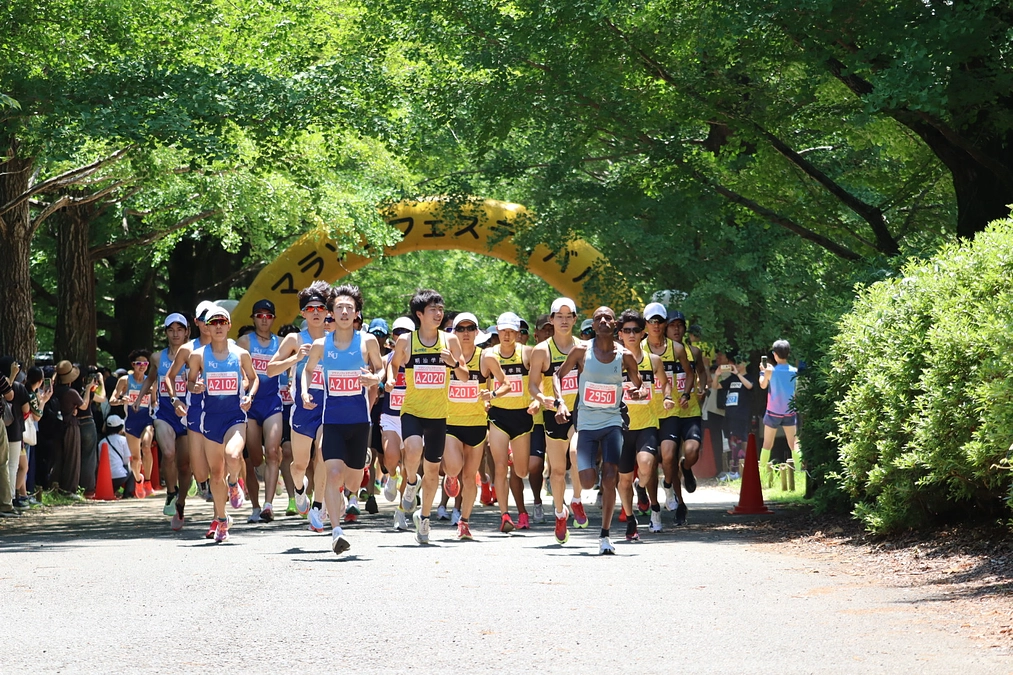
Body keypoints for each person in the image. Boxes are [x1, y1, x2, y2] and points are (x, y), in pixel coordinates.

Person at [554, 306, 648, 555]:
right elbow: (557, 376)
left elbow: (639, 384)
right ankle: (590, 473)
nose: (603, 321)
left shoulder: (625, 356)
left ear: (614, 323)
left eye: (608, 317)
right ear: (593, 326)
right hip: (585, 424)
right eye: (598, 319)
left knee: (610, 477)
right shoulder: (581, 351)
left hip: (612, 422)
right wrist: (560, 402)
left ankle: (605, 535)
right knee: (586, 482)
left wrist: (639, 391)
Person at [300, 285, 384, 555]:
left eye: (349, 308)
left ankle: (363, 463)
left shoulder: (367, 341)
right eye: (339, 308)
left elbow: (381, 369)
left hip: (359, 422)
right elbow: (308, 371)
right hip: (332, 420)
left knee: (351, 483)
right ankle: (336, 532)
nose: (345, 312)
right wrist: (303, 391)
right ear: (331, 313)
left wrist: (375, 379)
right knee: (333, 473)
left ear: (356, 312)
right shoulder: (321, 345)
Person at [388, 289, 470, 545]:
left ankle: (424, 519)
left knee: (434, 470)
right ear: (420, 314)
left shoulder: (450, 341)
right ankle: (411, 481)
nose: (438, 313)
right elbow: (394, 364)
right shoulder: (406, 341)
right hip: (412, 409)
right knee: (413, 449)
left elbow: (466, 375)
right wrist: (391, 378)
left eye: (440, 309)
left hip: (438, 415)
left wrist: (454, 364)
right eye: (433, 309)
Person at [267, 282, 335, 533]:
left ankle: (318, 507)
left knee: (323, 454)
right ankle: (299, 490)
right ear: (303, 313)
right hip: (303, 409)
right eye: (310, 308)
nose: (316, 312)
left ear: (327, 311)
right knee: (299, 465)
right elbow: (270, 369)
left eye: (320, 307)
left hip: (328, 407)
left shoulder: (335, 339)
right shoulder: (295, 339)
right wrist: (295, 358)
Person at [186, 305, 258, 542]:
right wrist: (195, 386)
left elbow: (253, 378)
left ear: (228, 326)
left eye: (222, 322)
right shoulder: (198, 355)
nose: (217, 327)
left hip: (235, 416)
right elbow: (190, 381)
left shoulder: (240, 354)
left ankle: (235, 482)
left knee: (234, 456)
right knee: (215, 474)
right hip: (211, 419)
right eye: (213, 323)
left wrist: (249, 394)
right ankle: (222, 518)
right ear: (207, 326)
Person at [527, 297, 588, 543]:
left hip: (580, 411)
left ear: (575, 319)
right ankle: (560, 514)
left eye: (568, 316)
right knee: (558, 472)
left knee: (577, 455)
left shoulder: (584, 347)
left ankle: (576, 500)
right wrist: (543, 399)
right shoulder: (542, 350)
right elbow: (532, 385)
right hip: (554, 413)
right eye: (558, 316)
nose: (564, 320)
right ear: (551, 320)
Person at [616, 310, 668, 541]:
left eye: (636, 330)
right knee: (623, 480)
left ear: (642, 333)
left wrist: (665, 397)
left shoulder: (653, 360)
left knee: (647, 466)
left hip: (647, 423)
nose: (632, 334)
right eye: (626, 330)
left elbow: (664, 384)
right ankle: (630, 519)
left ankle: (643, 487)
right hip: (619, 427)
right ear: (620, 334)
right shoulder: (612, 361)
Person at [640, 303, 692, 530]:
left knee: (669, 456)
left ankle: (668, 485)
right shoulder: (636, 348)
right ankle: (655, 511)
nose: (656, 325)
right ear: (645, 324)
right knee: (649, 465)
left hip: (669, 410)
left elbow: (690, 373)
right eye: (652, 321)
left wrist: (687, 393)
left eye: (660, 321)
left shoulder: (676, 348)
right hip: (645, 413)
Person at [139, 313, 192, 530]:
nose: (176, 333)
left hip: (188, 414)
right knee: (168, 453)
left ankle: (180, 503)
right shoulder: (157, 358)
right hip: (164, 413)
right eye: (171, 330)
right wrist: (141, 398)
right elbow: (151, 378)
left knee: (185, 464)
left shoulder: (194, 354)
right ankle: (171, 492)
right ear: (166, 333)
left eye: (180, 329)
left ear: (187, 331)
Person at [483, 311, 534, 533]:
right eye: (503, 330)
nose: (506, 335)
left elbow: (537, 382)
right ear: (497, 330)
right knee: (500, 467)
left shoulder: (527, 353)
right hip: (499, 416)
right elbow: (484, 380)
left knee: (521, 471)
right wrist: (486, 398)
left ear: (517, 333)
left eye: (511, 331)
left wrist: (536, 401)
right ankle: (504, 514)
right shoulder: (488, 354)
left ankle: (514, 455)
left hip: (522, 417)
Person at [237, 298, 285, 524]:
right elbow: (236, 371)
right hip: (250, 404)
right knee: (255, 458)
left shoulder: (282, 343)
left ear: (273, 319)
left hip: (272, 402)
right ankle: (255, 505)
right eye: (259, 316)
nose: (264, 320)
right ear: (254, 318)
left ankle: (268, 506)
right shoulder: (245, 342)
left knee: (273, 451)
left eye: (268, 316)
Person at [444, 312, 492, 540]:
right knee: (454, 468)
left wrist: (490, 396)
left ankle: (464, 521)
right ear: (454, 333)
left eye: (469, 328)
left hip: (477, 423)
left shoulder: (485, 357)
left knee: (470, 476)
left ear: (476, 332)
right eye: (460, 328)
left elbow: (500, 384)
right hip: (450, 422)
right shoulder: (445, 356)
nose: (465, 332)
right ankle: (450, 476)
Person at [665, 310, 705, 525]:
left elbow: (702, 372)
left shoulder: (694, 352)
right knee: (668, 460)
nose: (677, 329)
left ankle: (687, 467)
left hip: (689, 410)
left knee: (692, 451)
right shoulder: (658, 353)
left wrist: (702, 388)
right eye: (673, 325)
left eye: (680, 325)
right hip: (667, 412)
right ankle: (680, 504)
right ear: (665, 328)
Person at [380, 316, 413, 530]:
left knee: (410, 466)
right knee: (391, 457)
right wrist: (382, 383)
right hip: (390, 416)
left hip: (413, 416)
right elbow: (378, 378)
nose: (400, 336)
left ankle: (401, 511)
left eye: (405, 332)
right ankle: (391, 475)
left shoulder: (419, 359)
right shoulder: (387, 359)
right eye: (397, 332)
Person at [109, 351, 154, 499]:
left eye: (145, 363)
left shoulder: (151, 381)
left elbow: (154, 401)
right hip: (131, 421)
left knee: (146, 447)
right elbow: (112, 400)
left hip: (147, 419)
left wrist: (155, 402)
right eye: (139, 363)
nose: (142, 366)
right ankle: (138, 480)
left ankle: (148, 482)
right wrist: (123, 399)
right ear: (133, 365)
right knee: (136, 458)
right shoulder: (125, 380)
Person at [758, 339, 801, 485]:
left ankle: (762, 474)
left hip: (773, 412)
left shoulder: (770, 370)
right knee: (794, 443)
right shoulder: (795, 372)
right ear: (788, 354)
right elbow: (796, 392)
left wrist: (761, 372)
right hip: (789, 412)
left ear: (775, 354)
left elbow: (763, 385)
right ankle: (800, 473)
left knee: (767, 444)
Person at [52, 360, 93, 497]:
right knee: (72, 457)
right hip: (70, 426)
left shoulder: (53, 390)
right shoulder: (71, 392)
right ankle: (69, 490)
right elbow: (84, 406)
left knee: (58, 457)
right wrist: (88, 389)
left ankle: (55, 485)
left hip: (56, 426)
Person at [1, 357, 30, 511]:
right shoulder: (18, 387)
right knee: (12, 465)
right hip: (14, 430)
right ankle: (10, 497)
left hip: (5, 428)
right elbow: (26, 410)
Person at [717, 353, 753, 477]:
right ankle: (736, 469)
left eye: (739, 362)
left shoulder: (749, 377)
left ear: (745, 364)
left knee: (741, 440)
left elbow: (749, 386)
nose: (736, 365)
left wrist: (738, 374)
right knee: (732, 440)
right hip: (729, 414)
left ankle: (741, 468)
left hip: (741, 414)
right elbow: (716, 386)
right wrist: (717, 375)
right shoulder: (731, 379)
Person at [99, 415, 135, 498]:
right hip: (120, 476)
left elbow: (100, 460)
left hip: (106, 478)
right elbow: (126, 460)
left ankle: (114, 490)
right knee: (132, 468)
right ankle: (128, 493)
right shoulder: (123, 440)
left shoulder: (101, 442)